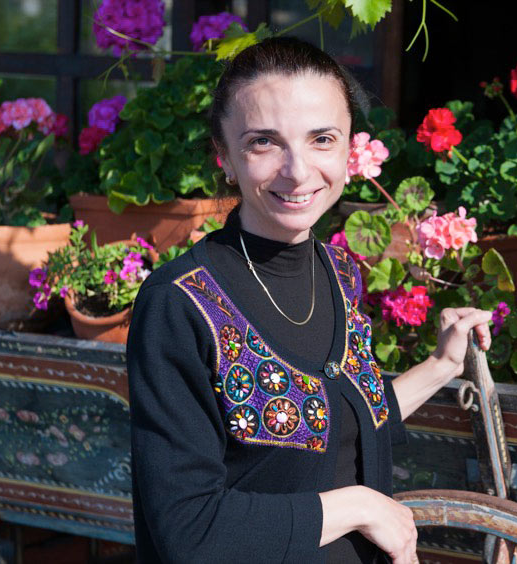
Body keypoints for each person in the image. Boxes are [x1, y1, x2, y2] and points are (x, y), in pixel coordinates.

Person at [126, 37, 492, 564]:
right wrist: (359, 506)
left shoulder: (339, 273)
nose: (297, 171)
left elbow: (334, 423)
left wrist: (442, 366)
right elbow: (189, 530)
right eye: (264, 142)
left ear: (349, 150)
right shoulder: (181, 303)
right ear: (224, 157)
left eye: (322, 139)